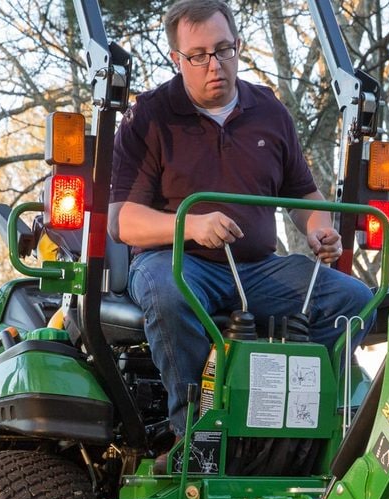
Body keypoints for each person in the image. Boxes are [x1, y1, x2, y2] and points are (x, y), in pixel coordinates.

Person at [111, 0, 373, 437]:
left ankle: (302, 425)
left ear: (238, 46)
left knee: (353, 299)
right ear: (177, 60)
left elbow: (303, 194)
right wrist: (190, 225)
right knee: (168, 293)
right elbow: (123, 220)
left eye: (224, 49)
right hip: (177, 263)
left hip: (257, 269)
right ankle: (198, 437)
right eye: (198, 55)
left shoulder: (269, 112)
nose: (214, 64)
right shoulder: (150, 117)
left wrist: (318, 228)